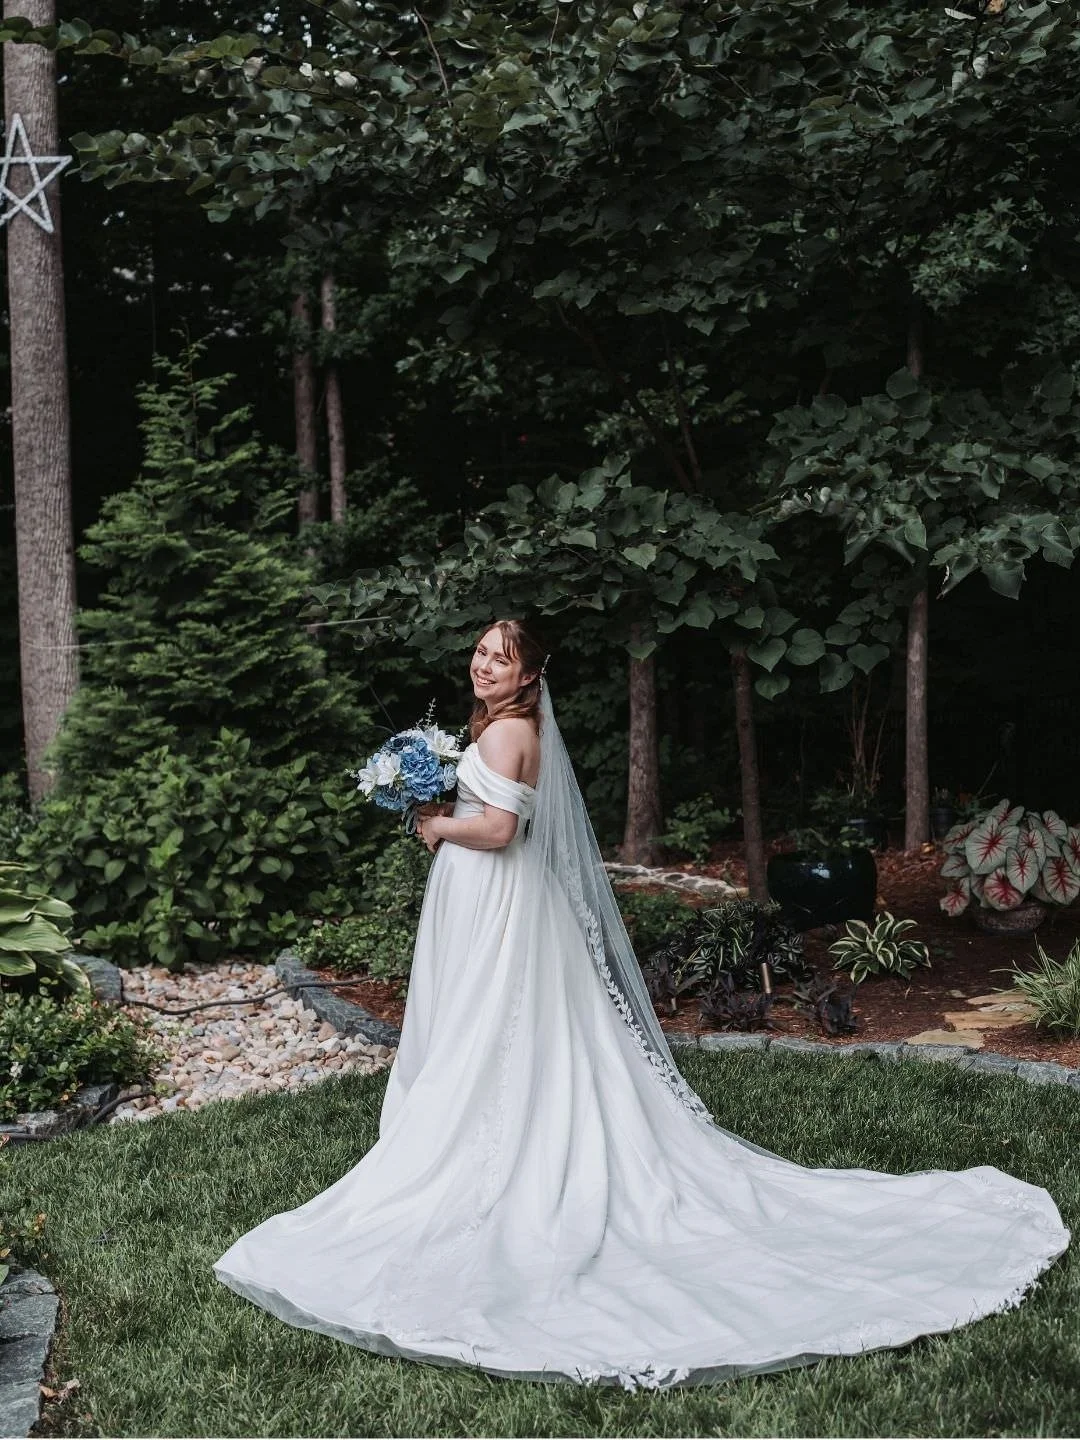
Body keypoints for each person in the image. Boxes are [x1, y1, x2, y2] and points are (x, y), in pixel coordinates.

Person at [213, 618, 1069, 1392]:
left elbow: (503, 832)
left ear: (528, 678)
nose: (482, 665)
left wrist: (435, 826)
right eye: (479, 652)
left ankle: (490, 1145)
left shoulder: (511, 733)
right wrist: (431, 798)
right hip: (477, 901)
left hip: (497, 895)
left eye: (499, 658)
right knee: (486, 1022)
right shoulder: (493, 728)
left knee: (497, 1026)